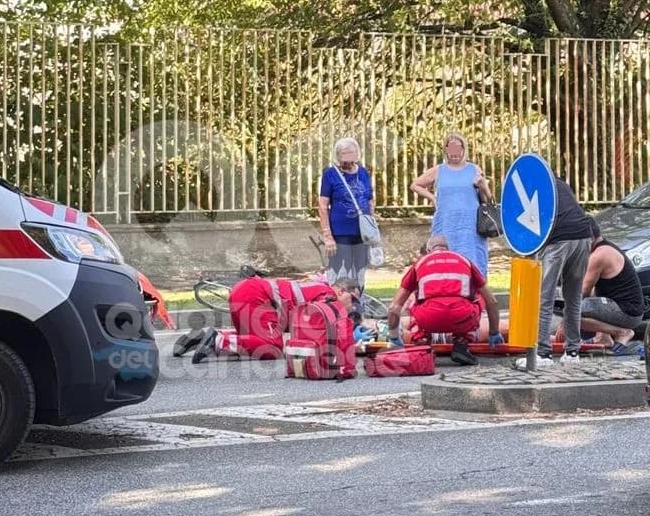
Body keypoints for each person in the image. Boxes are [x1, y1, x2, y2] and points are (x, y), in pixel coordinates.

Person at [386, 235, 503, 366]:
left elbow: (394, 307)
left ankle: (423, 345)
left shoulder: (419, 264)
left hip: (429, 318)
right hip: (461, 317)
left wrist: (394, 337)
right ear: (448, 249)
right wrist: (494, 332)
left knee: (413, 303)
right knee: (478, 299)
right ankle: (461, 345)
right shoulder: (465, 261)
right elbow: (492, 301)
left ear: (429, 250)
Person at [514, 175, 592, 369]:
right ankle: (573, 351)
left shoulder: (535, 185)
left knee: (544, 296)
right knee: (573, 297)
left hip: (559, 238)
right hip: (583, 234)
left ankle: (543, 353)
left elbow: (532, 220)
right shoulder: (561, 185)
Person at [191, 276, 361, 364]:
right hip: (257, 296)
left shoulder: (318, 289)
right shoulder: (328, 296)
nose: (352, 306)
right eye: (352, 299)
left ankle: (202, 337)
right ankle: (217, 340)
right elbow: (316, 333)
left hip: (247, 291)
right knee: (272, 347)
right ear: (339, 290)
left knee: (255, 340)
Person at [410, 132, 492, 278]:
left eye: (457, 148)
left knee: (472, 262)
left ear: (463, 149)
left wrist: (482, 185)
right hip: (446, 224)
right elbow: (415, 185)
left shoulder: (474, 169)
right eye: (451, 148)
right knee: (443, 262)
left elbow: (487, 199)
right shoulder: (439, 170)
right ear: (446, 150)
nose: (454, 153)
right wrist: (432, 198)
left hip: (470, 226)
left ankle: (475, 297)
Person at [557, 218, 645, 356]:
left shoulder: (599, 255)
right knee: (588, 303)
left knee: (572, 311)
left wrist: (565, 321)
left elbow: (581, 293)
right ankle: (603, 338)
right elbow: (595, 293)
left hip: (627, 312)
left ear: (590, 238)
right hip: (625, 307)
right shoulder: (604, 247)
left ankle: (622, 333)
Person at [318, 137, 375, 289]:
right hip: (340, 234)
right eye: (344, 155)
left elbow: (370, 200)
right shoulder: (330, 174)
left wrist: (372, 227)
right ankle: (340, 306)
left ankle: (358, 305)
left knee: (360, 272)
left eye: (351, 154)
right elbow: (323, 206)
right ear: (337, 156)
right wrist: (327, 236)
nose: (348, 160)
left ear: (357, 154)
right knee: (341, 273)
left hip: (362, 234)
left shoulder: (363, 173)